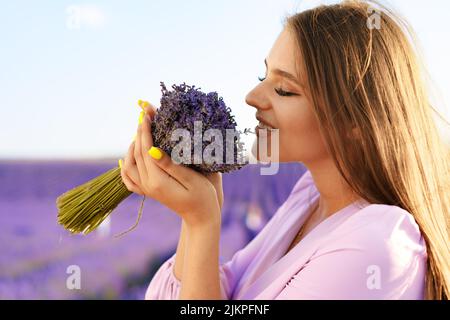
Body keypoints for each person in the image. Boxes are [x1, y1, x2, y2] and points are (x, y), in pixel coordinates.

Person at [119, 0, 450, 299]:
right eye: (263, 74)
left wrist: (202, 221)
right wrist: (200, 213)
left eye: (283, 89)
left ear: (356, 123)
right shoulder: (309, 198)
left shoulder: (377, 245)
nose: (252, 96)